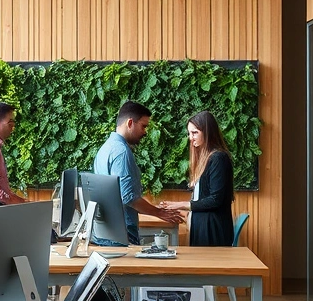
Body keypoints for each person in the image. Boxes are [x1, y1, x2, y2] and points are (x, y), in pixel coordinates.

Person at [93, 100, 184, 245]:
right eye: (143, 126)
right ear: (130, 123)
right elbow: (129, 198)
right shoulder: (121, 152)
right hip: (122, 234)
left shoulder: (105, 148)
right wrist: (160, 213)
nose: (145, 132)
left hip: (105, 233)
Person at [160, 111, 235, 246]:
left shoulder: (218, 158)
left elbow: (215, 199)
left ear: (207, 132)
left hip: (213, 232)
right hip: (203, 228)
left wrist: (180, 205)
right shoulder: (207, 159)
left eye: (194, 133)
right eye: (189, 133)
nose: (190, 137)